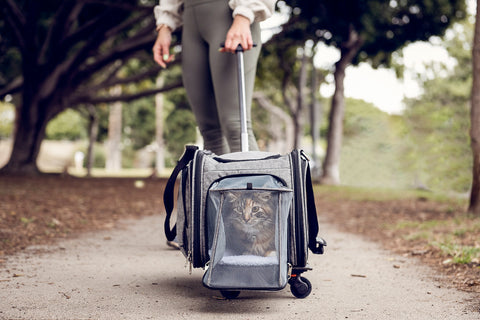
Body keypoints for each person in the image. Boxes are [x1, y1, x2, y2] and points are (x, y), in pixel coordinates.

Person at [153, 0, 277, 156]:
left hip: (232, 15)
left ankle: (253, 181)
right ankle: (217, 181)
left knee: (235, 125)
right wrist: (165, 26)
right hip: (191, 22)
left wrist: (244, 16)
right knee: (209, 131)